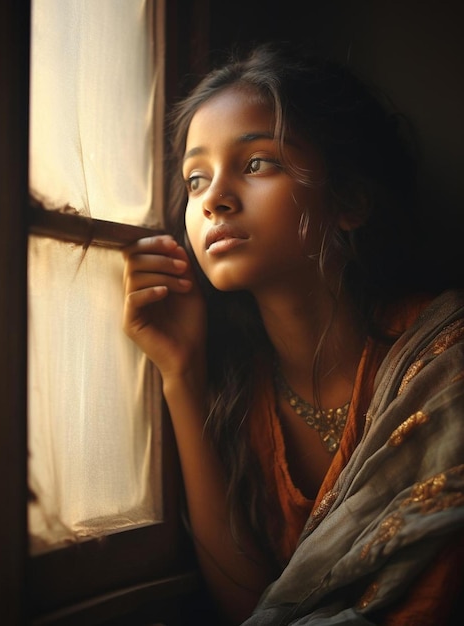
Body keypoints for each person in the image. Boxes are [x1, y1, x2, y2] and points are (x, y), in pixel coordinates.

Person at [122, 42, 464, 625]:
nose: (215, 201)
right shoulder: (240, 393)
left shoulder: (445, 365)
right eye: (196, 179)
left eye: (256, 164)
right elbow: (249, 606)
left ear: (349, 200)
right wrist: (180, 372)